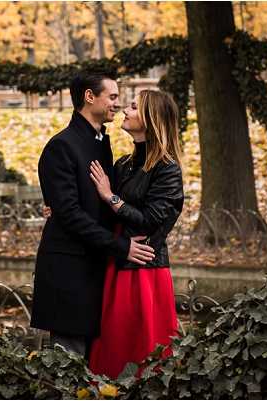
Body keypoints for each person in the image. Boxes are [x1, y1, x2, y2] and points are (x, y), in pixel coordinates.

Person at [43, 90, 184, 378]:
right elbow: (97, 209)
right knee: (109, 353)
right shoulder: (123, 164)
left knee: (142, 355)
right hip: (116, 262)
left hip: (144, 270)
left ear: (151, 118)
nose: (125, 109)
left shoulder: (167, 168)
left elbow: (150, 220)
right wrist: (58, 207)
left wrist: (111, 197)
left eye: (133, 106)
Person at [30, 72, 156, 359]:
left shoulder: (101, 142)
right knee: (69, 368)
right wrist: (121, 247)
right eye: (112, 97)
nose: (117, 103)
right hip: (70, 272)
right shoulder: (61, 146)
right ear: (89, 97)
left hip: (97, 270)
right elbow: (70, 215)